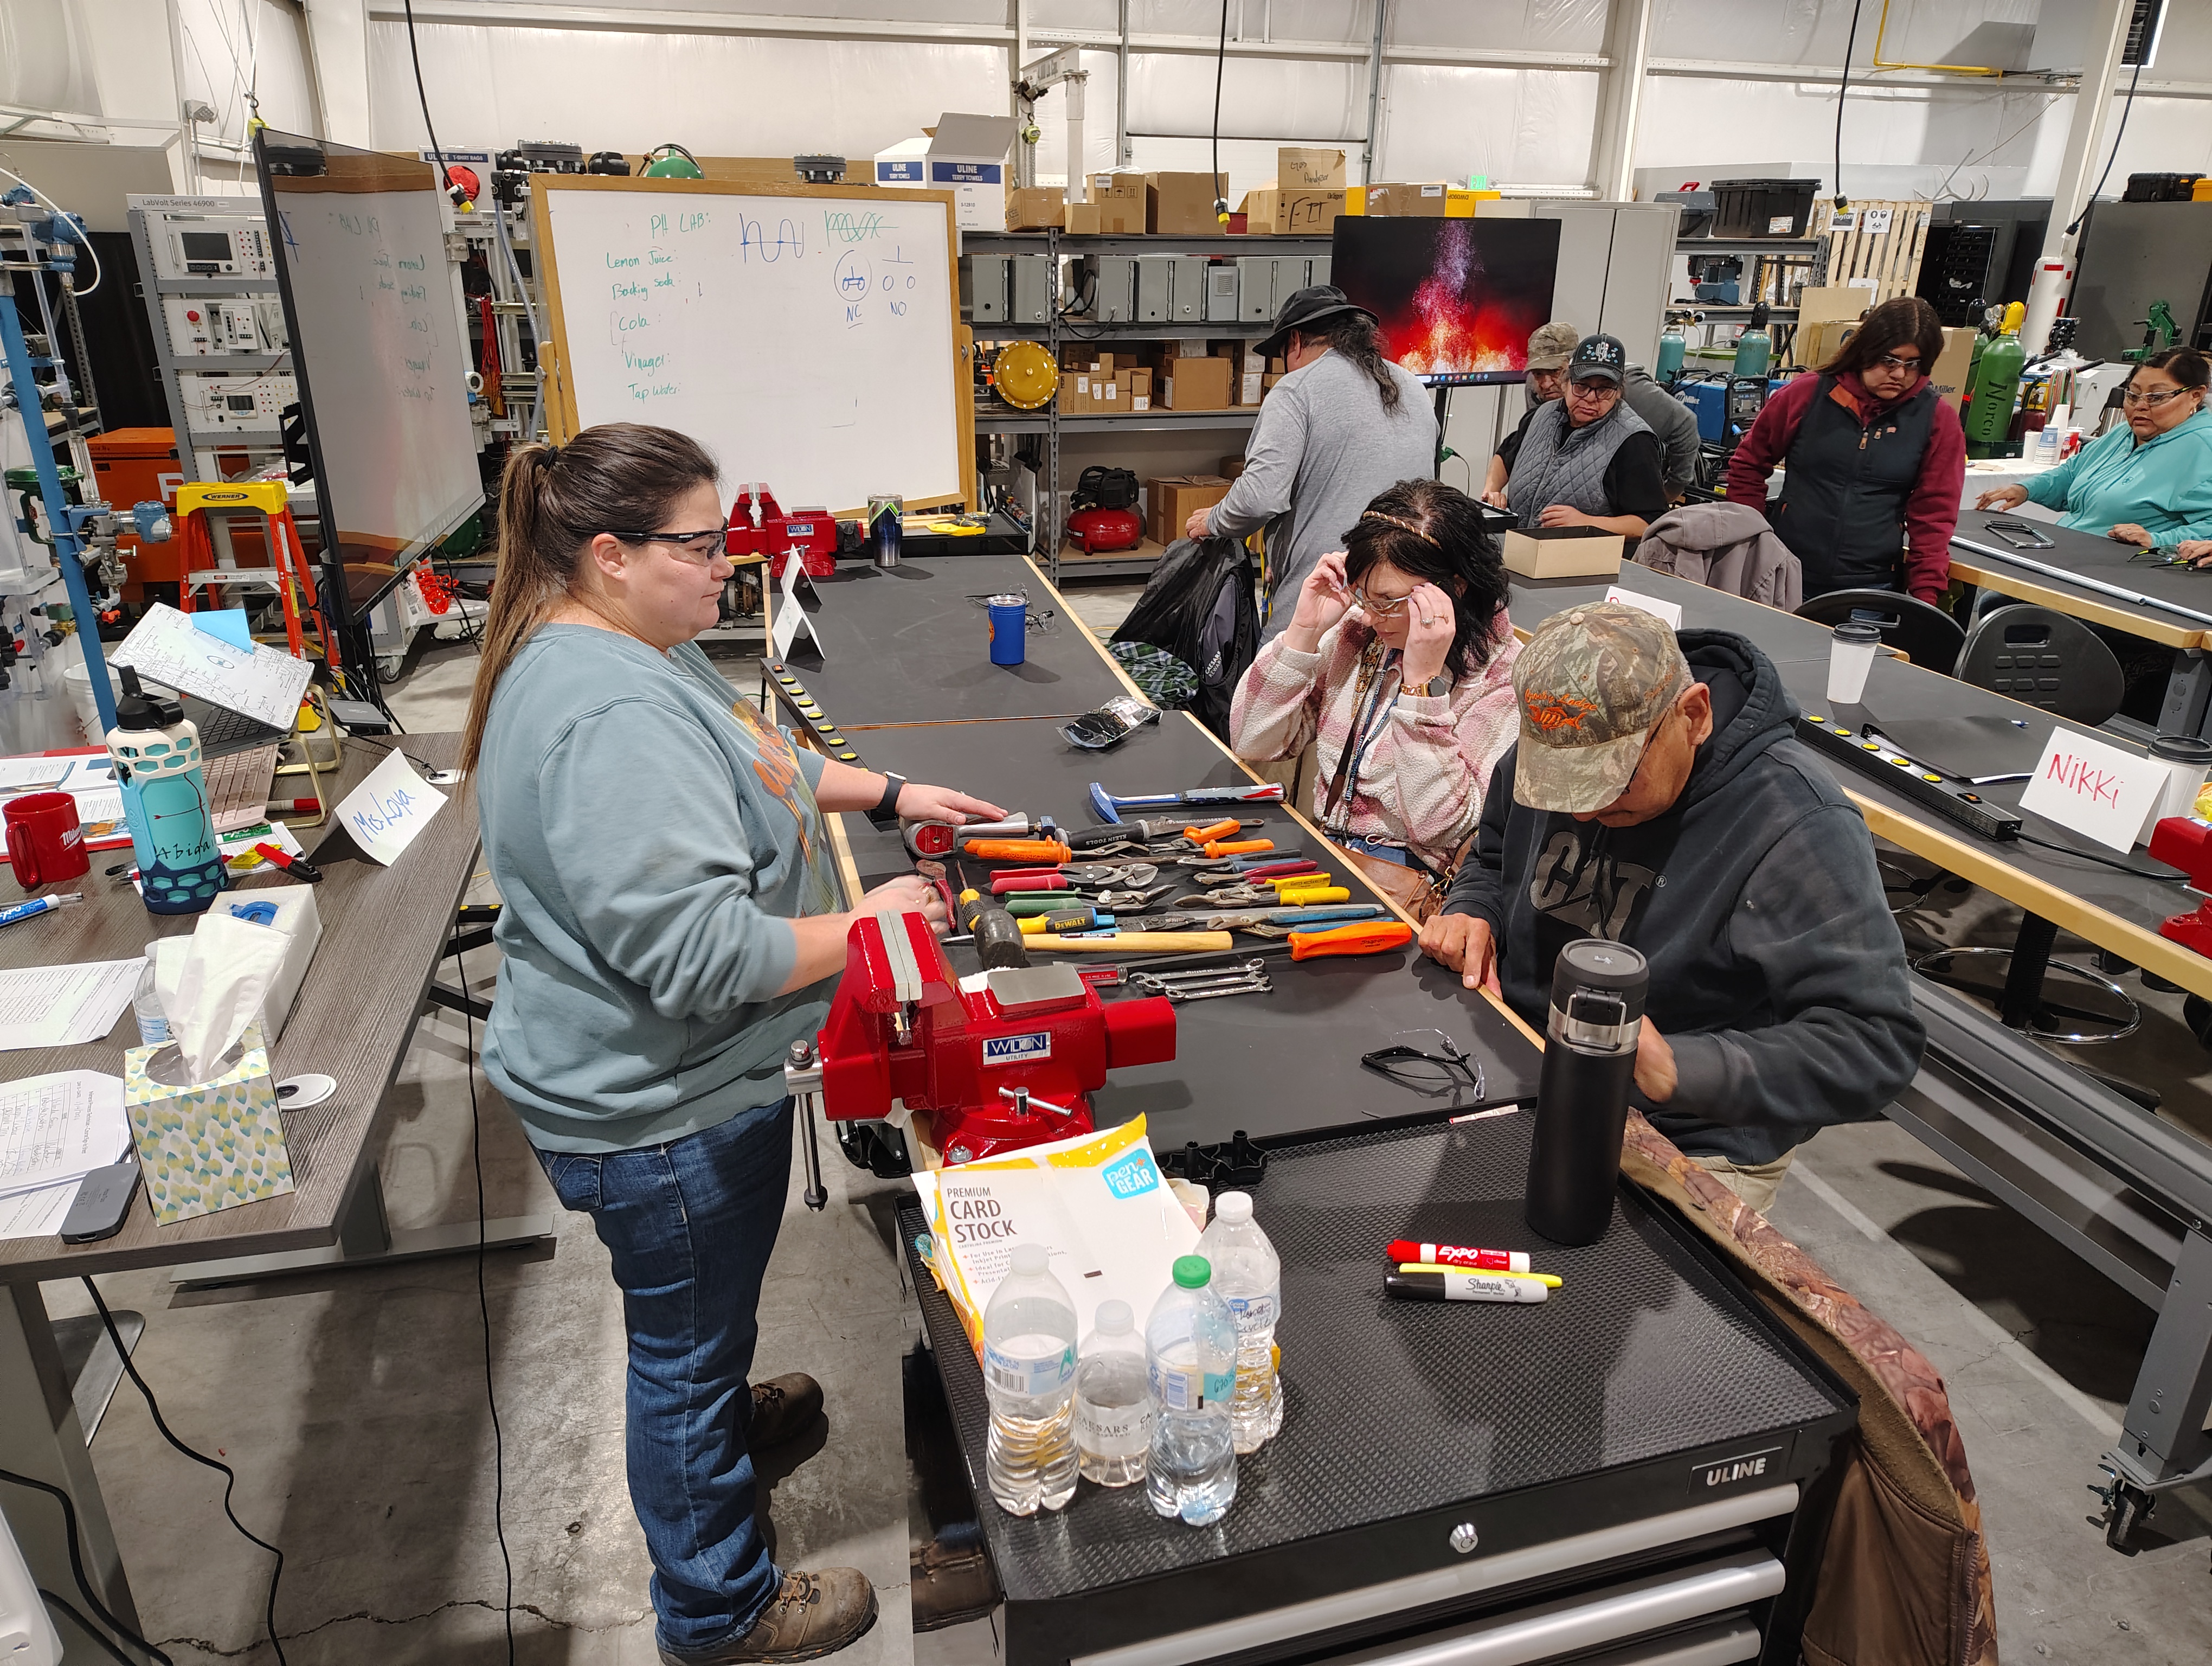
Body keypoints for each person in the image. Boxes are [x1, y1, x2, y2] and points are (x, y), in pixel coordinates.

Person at [464, 424, 1004, 1666]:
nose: (727, 566)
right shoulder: (606, 716)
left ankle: (715, 1410)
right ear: (608, 552)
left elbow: (753, 757)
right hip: (659, 1110)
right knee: (678, 1344)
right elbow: (698, 955)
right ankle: (716, 1605)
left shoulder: (621, 644)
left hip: (659, 1079)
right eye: (700, 546)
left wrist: (882, 794)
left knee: (698, 1312)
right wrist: (862, 922)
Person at [1416, 601, 1925, 1215]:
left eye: (1613, 779)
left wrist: (1683, 1067)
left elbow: (1875, 1044)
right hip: (1524, 1069)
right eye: (1563, 783)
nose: (1582, 811)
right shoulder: (1558, 728)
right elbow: (1496, 855)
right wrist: (1476, 909)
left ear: (1694, 714)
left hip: (1687, 1135)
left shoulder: (1796, 822)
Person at [1228, 478, 1520, 875]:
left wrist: (1420, 688)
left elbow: (1440, 828)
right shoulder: (1362, 634)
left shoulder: (1500, 677)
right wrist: (1304, 631)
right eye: (1362, 594)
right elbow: (1252, 741)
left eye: (1388, 602)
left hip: (1407, 879)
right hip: (1327, 854)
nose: (1368, 615)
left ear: (1455, 589)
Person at [1187, 285, 1436, 643]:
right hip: (1404, 602)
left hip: (1327, 595)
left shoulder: (1296, 390)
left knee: (1282, 688)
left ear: (1296, 342)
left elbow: (1259, 497)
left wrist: (1213, 520)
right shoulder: (1412, 387)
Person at [1726, 295, 1965, 605]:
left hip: (1869, 589)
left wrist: (1925, 597)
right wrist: (1753, 542)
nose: (1899, 374)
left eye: (1913, 364)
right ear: (1866, 351)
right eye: (1890, 361)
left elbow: (1935, 514)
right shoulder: (1807, 394)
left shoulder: (1937, 420)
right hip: (1784, 574)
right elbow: (1748, 465)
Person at [1977, 346, 2212, 548]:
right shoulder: (2123, 434)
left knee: (1997, 601)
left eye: (2157, 397)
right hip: (2066, 550)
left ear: (2195, 395)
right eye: (2133, 395)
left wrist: (2157, 539)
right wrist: (2025, 490)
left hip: (2123, 572)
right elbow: (2071, 474)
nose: (2140, 406)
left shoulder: (2202, 449)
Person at [1486, 321, 1701, 503]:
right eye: (1538, 373)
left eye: (1555, 372)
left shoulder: (1633, 391)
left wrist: (1671, 491)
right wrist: (1493, 492)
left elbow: (1686, 425)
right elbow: (1518, 448)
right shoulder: (1538, 387)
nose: (1546, 383)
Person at [1486, 334, 1668, 540]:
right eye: (1582, 386)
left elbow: (1649, 524)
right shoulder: (1542, 416)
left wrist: (1587, 522)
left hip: (1580, 564)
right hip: (1520, 550)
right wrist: (1492, 493)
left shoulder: (1634, 441)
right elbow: (1505, 456)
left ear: (1618, 392)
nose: (1591, 398)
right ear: (1565, 383)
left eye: (1604, 390)